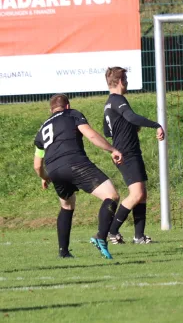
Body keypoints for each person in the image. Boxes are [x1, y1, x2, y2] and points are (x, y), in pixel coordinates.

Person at [33, 94, 123, 259]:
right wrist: (112, 149)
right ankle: (100, 237)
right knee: (111, 196)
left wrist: (45, 177)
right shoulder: (72, 114)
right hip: (74, 162)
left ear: (51, 110)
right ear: (67, 106)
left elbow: (37, 165)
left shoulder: (42, 129)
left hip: (54, 169)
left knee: (67, 205)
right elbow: (90, 135)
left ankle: (64, 252)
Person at [103, 67, 164, 244]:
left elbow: (109, 131)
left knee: (142, 194)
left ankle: (139, 236)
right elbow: (130, 116)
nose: (127, 83)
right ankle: (112, 231)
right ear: (121, 81)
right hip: (127, 153)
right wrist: (155, 125)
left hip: (127, 151)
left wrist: (128, 128)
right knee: (136, 194)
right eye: (126, 80)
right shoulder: (118, 100)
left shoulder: (109, 103)